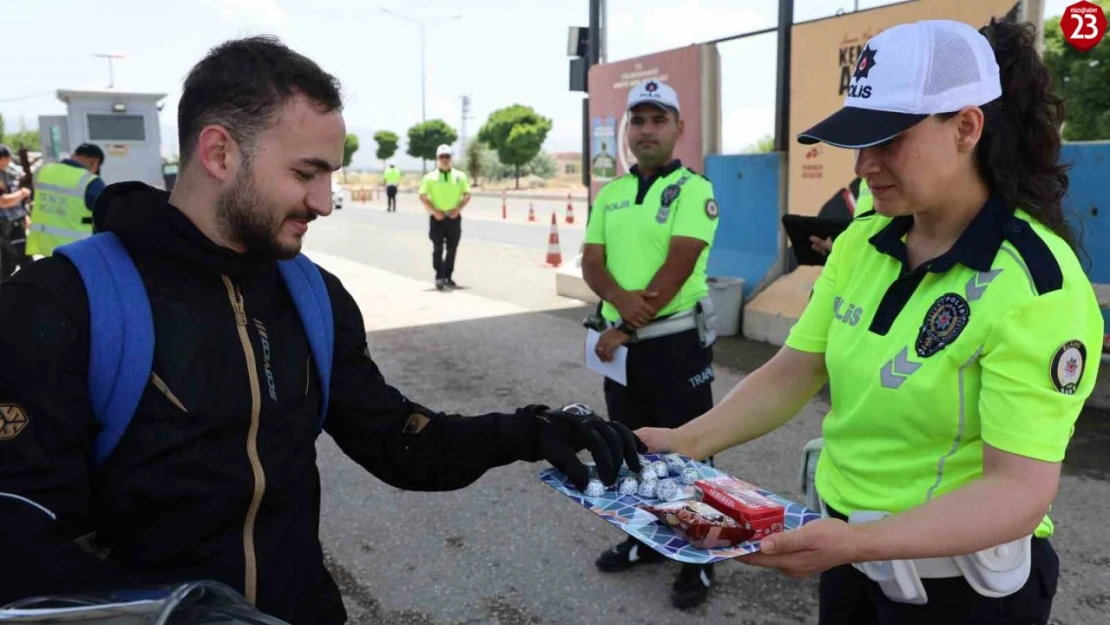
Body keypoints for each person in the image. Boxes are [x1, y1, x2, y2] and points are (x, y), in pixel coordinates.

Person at [0, 36, 644, 625]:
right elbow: (20, 541)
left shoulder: (311, 295)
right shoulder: (61, 305)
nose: (325, 202)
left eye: (331, 175)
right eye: (306, 173)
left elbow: (401, 442)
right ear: (219, 152)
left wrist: (532, 430)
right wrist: (169, 615)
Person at [635, 18, 1102, 625]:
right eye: (859, 140)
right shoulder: (865, 238)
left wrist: (860, 543)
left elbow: (1018, 490)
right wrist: (684, 442)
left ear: (966, 126)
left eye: (888, 140)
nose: (863, 165)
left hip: (963, 591)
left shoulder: (1037, 285)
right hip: (852, 562)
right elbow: (796, 369)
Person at [582, 79, 720, 610]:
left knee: (689, 449)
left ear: (678, 128)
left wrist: (626, 325)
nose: (646, 130)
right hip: (621, 345)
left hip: (676, 343)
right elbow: (592, 262)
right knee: (632, 444)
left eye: (658, 119)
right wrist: (618, 308)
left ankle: (699, 556)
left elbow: (678, 264)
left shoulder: (694, 189)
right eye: (637, 120)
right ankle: (648, 540)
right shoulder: (611, 194)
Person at [25, 143, 106, 258]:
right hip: (77, 250)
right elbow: (105, 215)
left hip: (45, 246)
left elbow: (34, 199)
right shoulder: (91, 182)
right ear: (94, 161)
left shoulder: (43, 171)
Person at [419, 144, 470, 290]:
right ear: (437, 158)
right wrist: (435, 211)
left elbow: (467, 194)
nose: (445, 159)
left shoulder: (460, 176)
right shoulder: (430, 177)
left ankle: (448, 276)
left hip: (454, 217)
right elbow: (422, 195)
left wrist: (458, 209)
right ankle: (439, 276)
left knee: (452, 248)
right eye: (442, 156)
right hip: (437, 218)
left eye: (447, 156)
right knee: (438, 248)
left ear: (451, 158)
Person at [0, 145, 32, 280]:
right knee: (20, 259)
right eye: (7, 158)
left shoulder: (6, 173)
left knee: (12, 261)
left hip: (15, 223)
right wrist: (22, 193)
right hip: (4, 226)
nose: (9, 161)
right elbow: (3, 202)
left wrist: (25, 215)